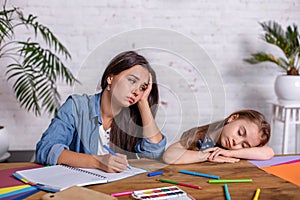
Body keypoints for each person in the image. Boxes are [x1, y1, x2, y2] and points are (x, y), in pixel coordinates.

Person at [36, 51, 166, 172]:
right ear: (110, 78)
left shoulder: (132, 117)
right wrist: (98, 162)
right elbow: (46, 149)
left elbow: (154, 155)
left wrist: (143, 102)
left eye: (142, 87)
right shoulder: (77, 106)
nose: (137, 91)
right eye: (132, 80)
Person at [163, 110, 274, 164]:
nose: (237, 142)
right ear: (233, 118)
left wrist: (229, 153)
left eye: (244, 145)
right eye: (240, 132)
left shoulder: (233, 151)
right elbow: (169, 156)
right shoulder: (201, 137)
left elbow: (268, 152)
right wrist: (207, 156)